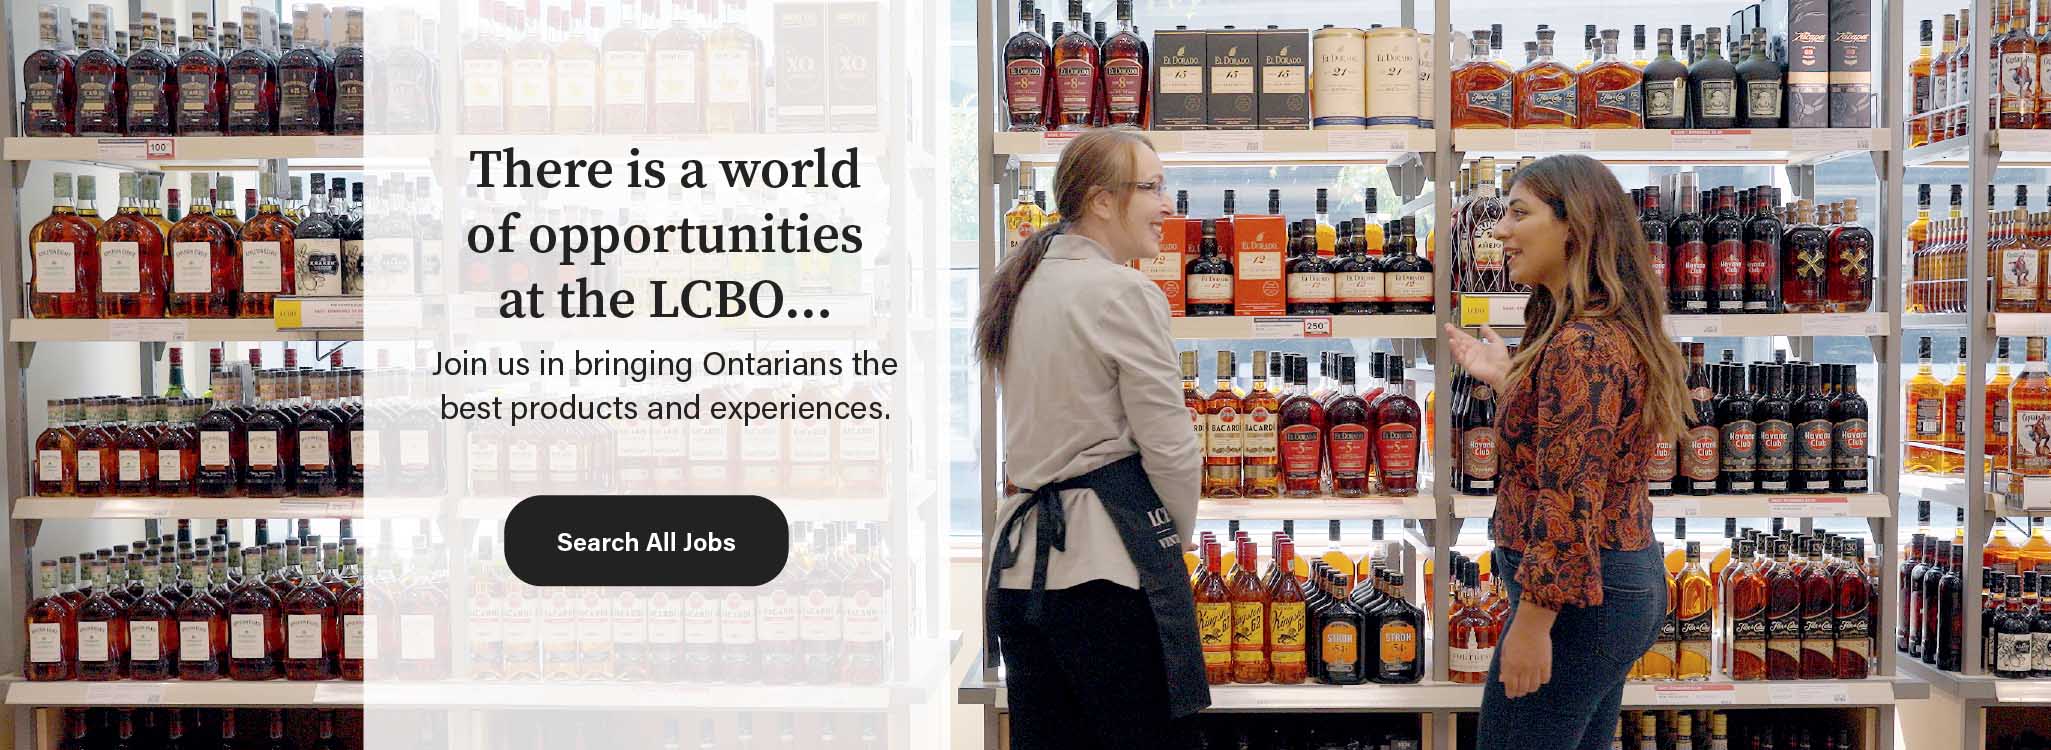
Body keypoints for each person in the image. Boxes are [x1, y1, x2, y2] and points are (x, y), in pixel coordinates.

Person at [1444, 154, 1689, 750]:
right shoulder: (1595, 326)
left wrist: (1533, 621)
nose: (1501, 231)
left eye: (1519, 213)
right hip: (1610, 584)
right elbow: (1580, 445)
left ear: (1573, 226)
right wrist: (1512, 383)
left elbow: (1569, 496)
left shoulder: (1580, 344)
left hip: (1579, 597)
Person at [976, 129, 1206, 749]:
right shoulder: (1123, 292)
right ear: (1103, 202)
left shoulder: (1021, 284)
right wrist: (1169, 544)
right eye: (1153, 188)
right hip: (1107, 572)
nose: (1167, 205)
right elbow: (1171, 448)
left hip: (1023, 572)